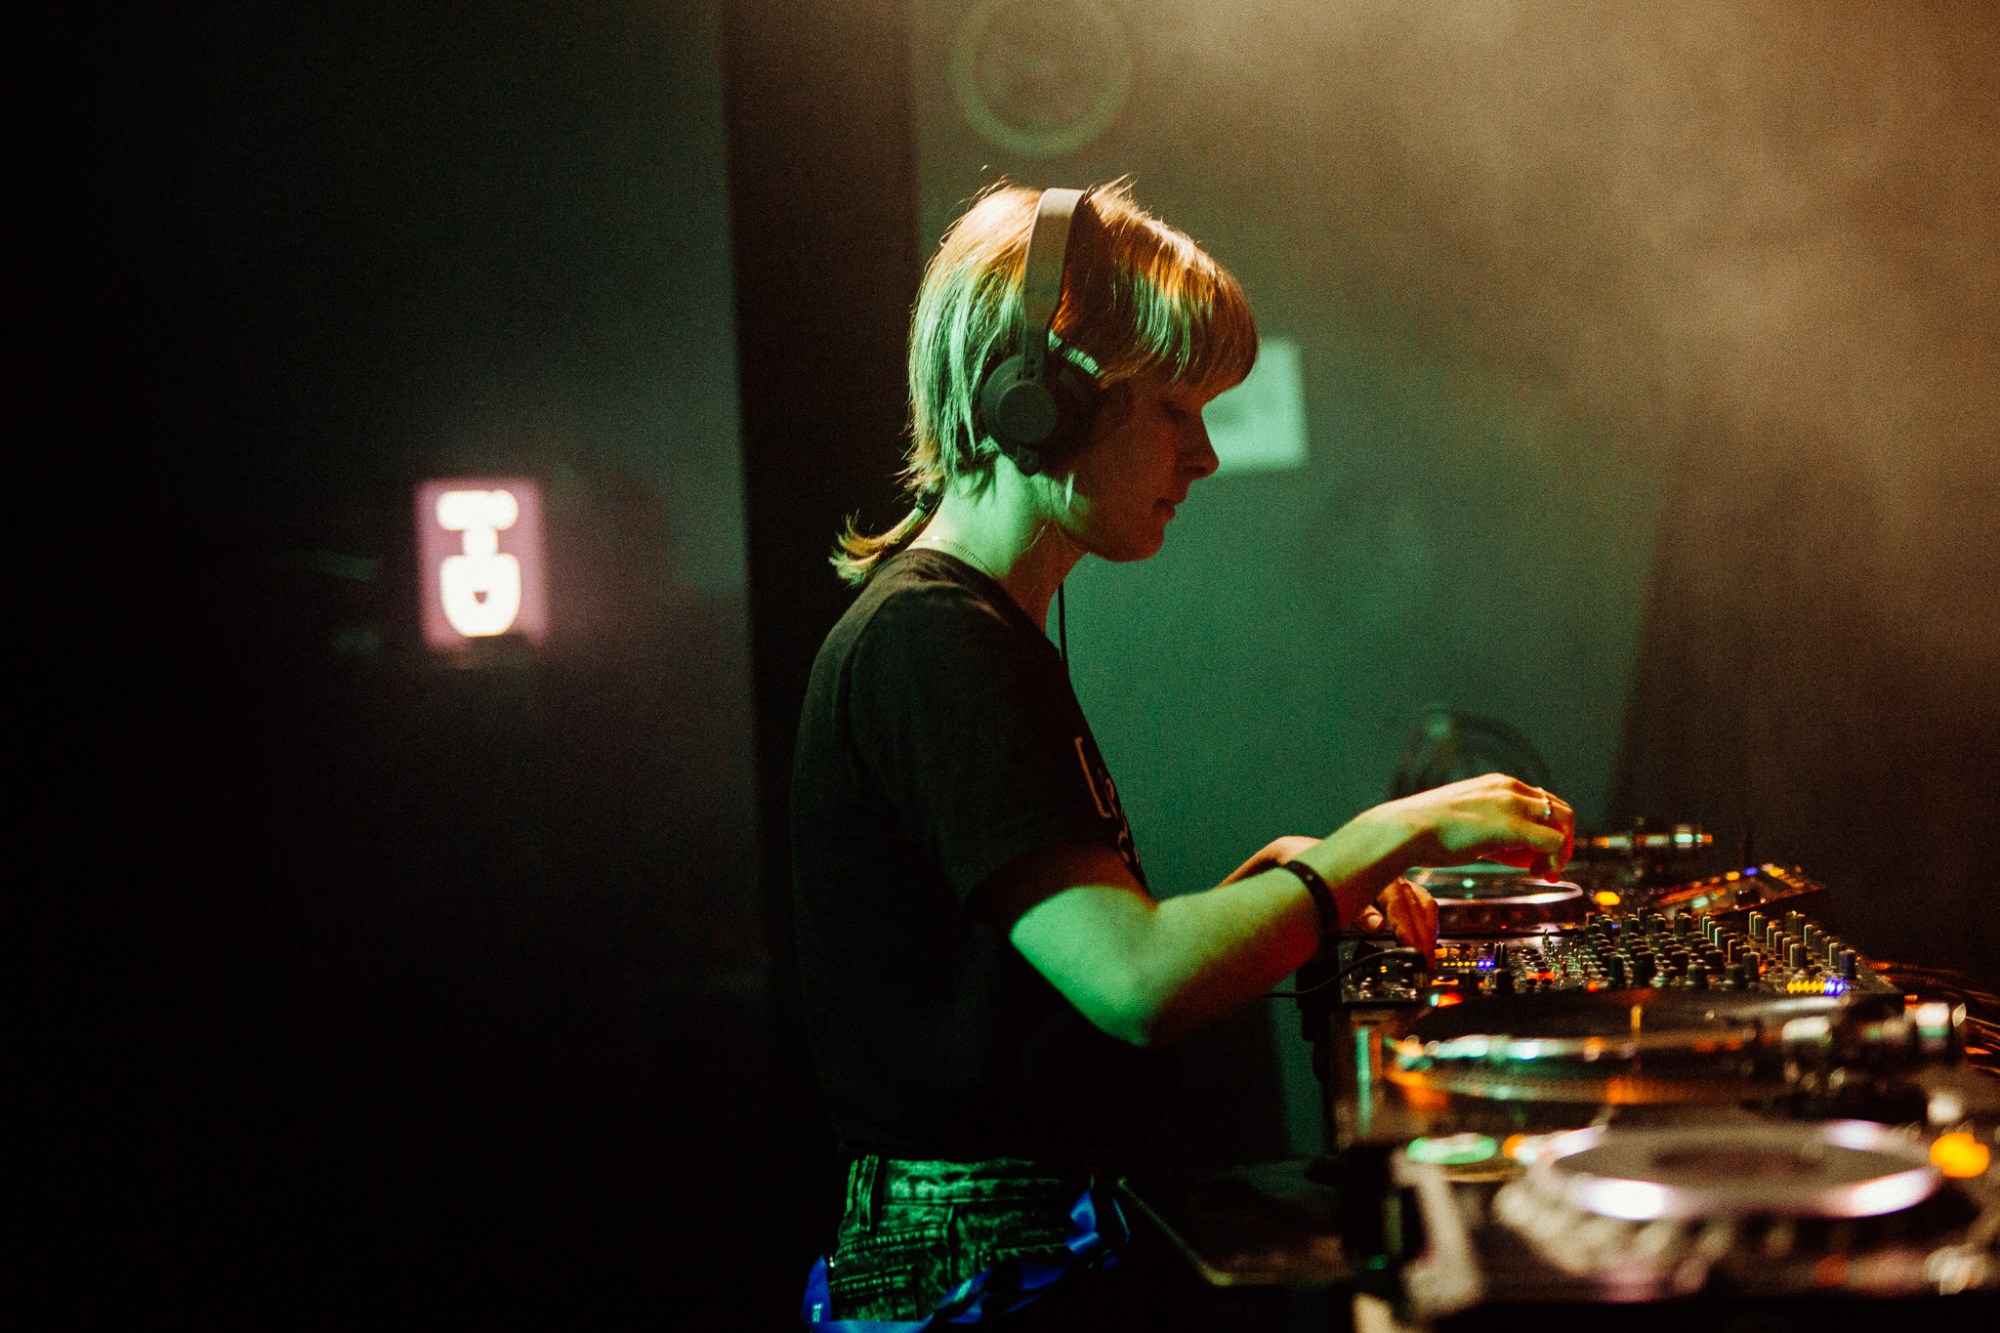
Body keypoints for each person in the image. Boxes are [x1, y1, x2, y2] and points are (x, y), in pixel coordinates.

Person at [790, 181, 1575, 1325]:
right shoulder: (932, 643)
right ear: (1039, 401)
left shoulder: (969, 632)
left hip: (1016, 1254)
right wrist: (1392, 834)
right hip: (975, 1284)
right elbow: (1137, 984)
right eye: (1173, 408)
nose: (1202, 455)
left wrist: (1277, 890)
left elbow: (1051, 989)